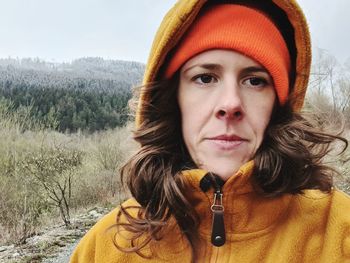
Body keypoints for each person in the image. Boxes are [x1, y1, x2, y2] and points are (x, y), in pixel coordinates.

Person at [70, 0, 350, 262]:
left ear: (278, 106)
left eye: (255, 81)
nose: (230, 104)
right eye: (205, 78)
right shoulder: (106, 247)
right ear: (174, 98)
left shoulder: (338, 232)